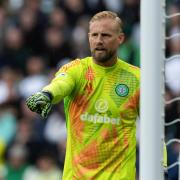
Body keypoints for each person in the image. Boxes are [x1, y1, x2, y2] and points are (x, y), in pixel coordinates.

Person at [26, 11, 165, 179]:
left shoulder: (137, 78)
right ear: (89, 37)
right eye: (94, 35)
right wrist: (47, 94)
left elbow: (154, 129)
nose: (99, 40)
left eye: (105, 35)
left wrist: (161, 166)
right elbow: (61, 84)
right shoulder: (76, 70)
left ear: (120, 38)